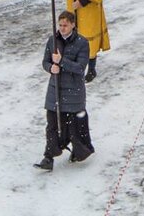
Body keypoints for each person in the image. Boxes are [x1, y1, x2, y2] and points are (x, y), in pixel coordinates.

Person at [34, 10, 94, 171]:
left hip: (73, 91)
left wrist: (62, 62)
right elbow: (45, 61)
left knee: (75, 124)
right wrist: (50, 67)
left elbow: (80, 68)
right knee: (52, 123)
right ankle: (49, 156)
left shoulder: (82, 43)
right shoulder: (53, 41)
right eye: (60, 25)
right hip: (55, 89)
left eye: (65, 25)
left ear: (73, 25)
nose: (62, 28)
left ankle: (79, 150)